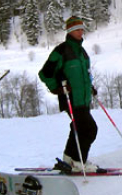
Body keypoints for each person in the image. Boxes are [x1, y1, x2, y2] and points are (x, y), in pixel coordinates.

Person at [39, 16, 98, 172]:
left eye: (82, 29)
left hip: (83, 99)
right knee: (90, 130)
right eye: (78, 30)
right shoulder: (61, 51)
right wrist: (56, 88)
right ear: (70, 31)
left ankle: (69, 159)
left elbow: (85, 74)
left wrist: (90, 87)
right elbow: (45, 73)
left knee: (78, 128)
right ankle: (79, 162)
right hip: (71, 99)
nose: (81, 32)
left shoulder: (82, 52)